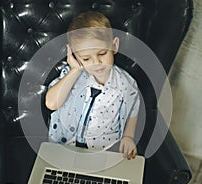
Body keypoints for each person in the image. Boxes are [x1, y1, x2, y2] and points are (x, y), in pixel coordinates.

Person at [45, 11, 140, 159]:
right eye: (86, 58)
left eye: (102, 54)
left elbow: (133, 109)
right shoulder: (71, 75)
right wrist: (75, 69)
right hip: (64, 147)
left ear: (114, 46)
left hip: (104, 151)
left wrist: (128, 136)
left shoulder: (126, 84)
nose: (96, 63)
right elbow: (51, 103)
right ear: (75, 56)